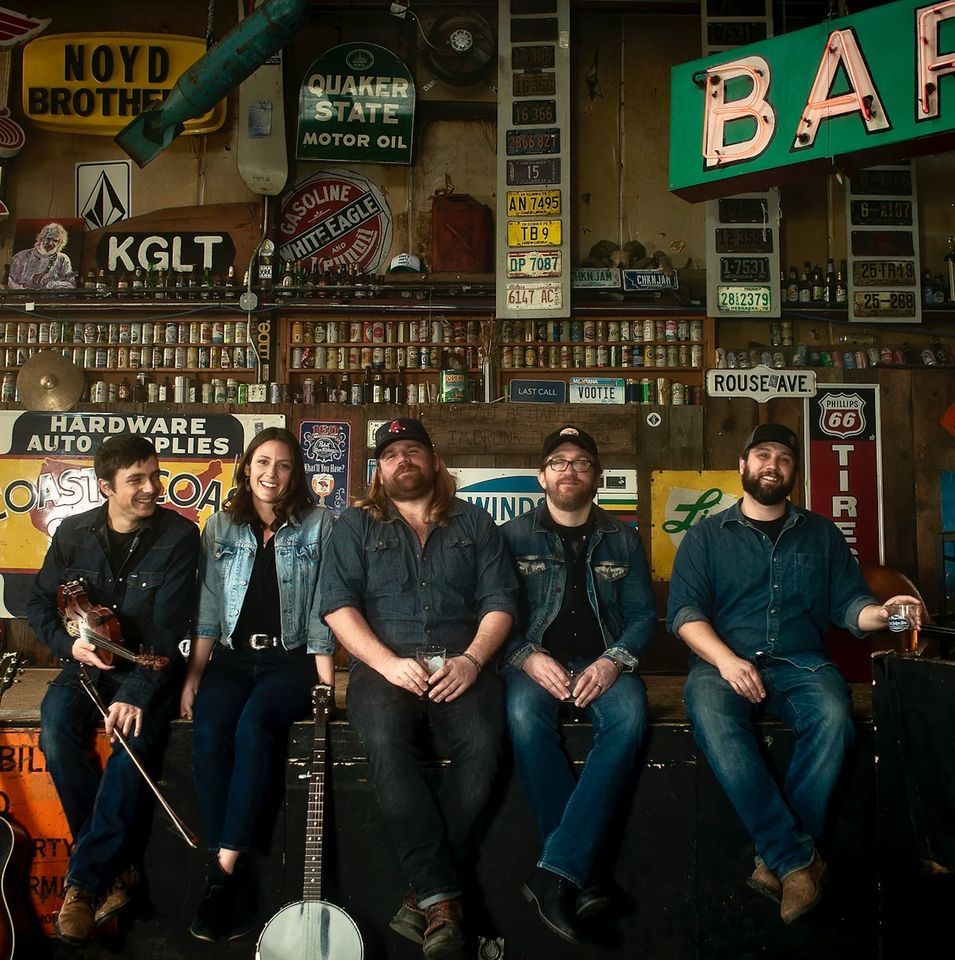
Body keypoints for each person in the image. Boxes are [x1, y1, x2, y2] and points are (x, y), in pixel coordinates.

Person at [666, 422, 925, 924]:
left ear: (793, 474)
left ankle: (778, 861)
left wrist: (891, 612)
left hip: (803, 662)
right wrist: (725, 660)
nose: (772, 465)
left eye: (783, 459)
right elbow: (684, 614)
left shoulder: (822, 533)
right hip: (725, 662)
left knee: (833, 715)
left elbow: (852, 607)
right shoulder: (705, 536)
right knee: (714, 720)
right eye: (761, 455)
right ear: (742, 466)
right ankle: (799, 862)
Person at [320, 418, 518, 960]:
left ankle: (429, 895)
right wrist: (386, 663)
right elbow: (337, 606)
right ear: (379, 471)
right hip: (385, 669)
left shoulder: (477, 523)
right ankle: (440, 894)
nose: (402, 460)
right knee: (385, 742)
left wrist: (475, 660)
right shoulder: (355, 527)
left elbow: (501, 601)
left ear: (433, 461)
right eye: (391, 455)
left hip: (463, 663)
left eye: (413, 451)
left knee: (484, 744)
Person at [27, 434, 200, 945]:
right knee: (55, 731)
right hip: (88, 667)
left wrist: (137, 694)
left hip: (150, 670)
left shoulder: (179, 535)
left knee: (130, 748)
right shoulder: (74, 533)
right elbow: (39, 604)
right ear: (106, 487)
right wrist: (68, 645)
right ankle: (116, 869)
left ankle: (84, 884)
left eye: (155, 476)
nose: (151, 488)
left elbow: (169, 632)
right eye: (137, 480)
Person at [500, 424, 655, 944]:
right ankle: (583, 876)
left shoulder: (624, 537)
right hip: (534, 663)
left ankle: (554, 872)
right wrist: (524, 656)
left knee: (631, 718)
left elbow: (641, 616)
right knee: (523, 718)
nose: (570, 469)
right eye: (559, 462)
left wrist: (613, 662)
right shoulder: (511, 536)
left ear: (598, 477)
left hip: (604, 662)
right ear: (541, 476)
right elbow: (493, 612)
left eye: (582, 462)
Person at [180, 426, 335, 942]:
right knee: (208, 728)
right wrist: (195, 673)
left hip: (288, 661)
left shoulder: (318, 526)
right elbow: (206, 607)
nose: (272, 472)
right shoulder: (220, 526)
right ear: (246, 467)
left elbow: (323, 607)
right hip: (229, 658)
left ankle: (221, 871)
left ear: (296, 474)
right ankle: (229, 867)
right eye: (263, 462)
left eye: (284, 464)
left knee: (253, 729)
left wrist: (324, 677)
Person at [8, 221, 76, 289]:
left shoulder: (63, 259)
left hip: (50, 298)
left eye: (55, 241)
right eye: (48, 239)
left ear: (60, 243)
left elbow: (70, 284)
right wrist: (20, 290)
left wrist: (54, 285)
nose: (50, 243)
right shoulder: (21, 256)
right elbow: (9, 280)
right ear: (41, 238)